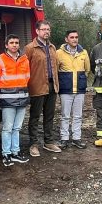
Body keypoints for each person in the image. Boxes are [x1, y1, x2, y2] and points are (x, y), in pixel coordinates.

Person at [0, 34, 31, 166]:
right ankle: (6, 154)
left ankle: (15, 152)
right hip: (7, 98)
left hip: (22, 98)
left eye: (16, 42)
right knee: (7, 128)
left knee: (17, 128)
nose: (14, 45)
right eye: (12, 42)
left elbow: (27, 77)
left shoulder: (25, 59)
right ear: (6, 45)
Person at [24, 20, 61, 156]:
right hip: (37, 87)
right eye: (44, 29)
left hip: (52, 86)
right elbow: (25, 69)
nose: (47, 32)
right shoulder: (30, 48)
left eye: (48, 29)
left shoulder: (52, 47)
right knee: (34, 117)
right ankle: (33, 144)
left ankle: (48, 142)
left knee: (49, 116)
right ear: (37, 31)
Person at [57, 29, 91, 149]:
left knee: (78, 116)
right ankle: (64, 139)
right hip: (66, 90)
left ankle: (77, 138)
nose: (74, 39)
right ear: (66, 39)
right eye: (72, 37)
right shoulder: (59, 53)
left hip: (80, 90)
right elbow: (56, 70)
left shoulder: (83, 53)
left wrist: (81, 81)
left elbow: (87, 69)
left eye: (76, 37)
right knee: (65, 115)